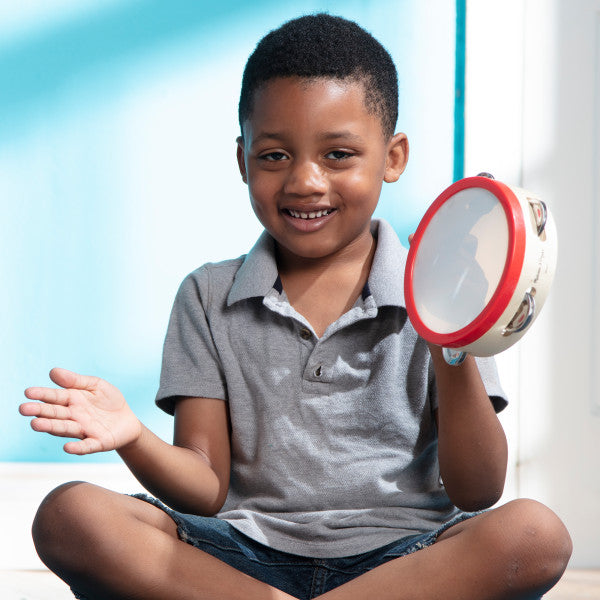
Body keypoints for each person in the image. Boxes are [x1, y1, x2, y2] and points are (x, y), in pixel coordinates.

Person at [19, 13, 572, 600]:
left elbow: (477, 490)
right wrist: (134, 436)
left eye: (338, 155)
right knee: (69, 514)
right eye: (275, 156)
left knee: (534, 534)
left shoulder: (440, 293)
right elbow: (204, 487)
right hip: (240, 559)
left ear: (393, 157)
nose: (305, 181)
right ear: (242, 160)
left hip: (403, 560)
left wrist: (448, 344)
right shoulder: (206, 295)